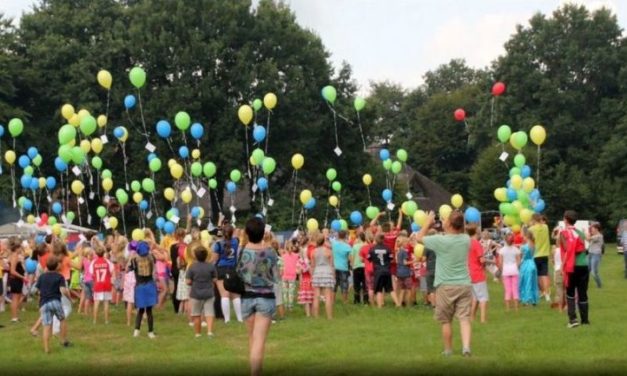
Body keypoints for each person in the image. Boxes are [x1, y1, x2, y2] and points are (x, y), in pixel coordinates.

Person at [416, 210, 472, 357]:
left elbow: (419, 237)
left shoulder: (440, 240)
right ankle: (466, 348)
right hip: (464, 284)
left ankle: (448, 350)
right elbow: (460, 228)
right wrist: (450, 222)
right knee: (464, 318)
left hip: (445, 285)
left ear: (449, 224)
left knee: (446, 320)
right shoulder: (466, 239)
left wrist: (428, 222)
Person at [237, 217, 279, 376]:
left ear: (247, 233)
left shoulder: (242, 251)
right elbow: (276, 277)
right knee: (259, 339)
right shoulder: (270, 252)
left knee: (252, 338)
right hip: (265, 297)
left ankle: (255, 371)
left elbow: (239, 274)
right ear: (263, 233)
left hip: (247, 297)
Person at [36, 256, 72, 353]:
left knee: (46, 326)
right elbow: (63, 290)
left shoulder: (42, 277)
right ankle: (63, 340)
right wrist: (69, 298)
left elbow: (37, 291)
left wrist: (39, 301)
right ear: (57, 266)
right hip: (55, 301)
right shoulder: (60, 277)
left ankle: (47, 348)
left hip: (44, 303)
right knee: (62, 319)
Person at [559, 210, 589, 328]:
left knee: (570, 293)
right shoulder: (580, 233)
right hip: (584, 266)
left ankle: (573, 320)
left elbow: (568, 251)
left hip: (572, 267)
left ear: (566, 219)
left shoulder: (564, 233)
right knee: (583, 293)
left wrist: (562, 266)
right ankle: (585, 320)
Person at [212, 224, 243, 323]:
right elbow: (238, 234)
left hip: (221, 269)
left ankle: (227, 319)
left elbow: (214, 259)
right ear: (232, 232)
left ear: (223, 233)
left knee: (224, 295)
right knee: (235, 294)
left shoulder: (218, 244)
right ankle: (240, 318)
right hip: (233, 269)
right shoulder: (236, 241)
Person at [186, 246, 218, 338]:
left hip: (196, 293)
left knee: (196, 314)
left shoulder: (192, 267)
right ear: (206, 255)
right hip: (209, 292)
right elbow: (215, 279)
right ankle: (210, 332)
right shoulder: (210, 266)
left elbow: (188, 281)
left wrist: (193, 282)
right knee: (209, 312)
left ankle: (198, 333)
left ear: (195, 256)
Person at [130, 241, 158, 338]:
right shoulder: (152, 258)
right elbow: (155, 261)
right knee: (149, 311)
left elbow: (128, 269)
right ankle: (150, 332)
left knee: (140, 310)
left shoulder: (134, 260)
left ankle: (136, 330)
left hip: (140, 286)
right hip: (150, 285)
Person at [467, 224, 488, 323]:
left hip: (469, 273)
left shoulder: (467, 243)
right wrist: (491, 262)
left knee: (475, 297)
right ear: (476, 232)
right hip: (477, 273)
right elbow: (482, 260)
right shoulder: (476, 243)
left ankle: (472, 318)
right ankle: (483, 320)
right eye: (478, 229)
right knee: (483, 298)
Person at [311, 232, 335, 319]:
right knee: (328, 296)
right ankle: (329, 317)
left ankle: (316, 316)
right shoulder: (329, 251)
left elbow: (312, 266)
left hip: (317, 273)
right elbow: (332, 265)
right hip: (327, 272)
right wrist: (333, 275)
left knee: (316, 296)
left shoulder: (313, 252)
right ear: (324, 241)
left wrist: (312, 276)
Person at [90, 243, 114, 324]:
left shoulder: (93, 262)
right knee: (106, 302)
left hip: (97, 284)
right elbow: (111, 271)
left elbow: (91, 273)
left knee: (96, 302)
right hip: (106, 284)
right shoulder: (107, 261)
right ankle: (106, 320)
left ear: (96, 253)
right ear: (104, 253)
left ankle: (94, 320)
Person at [529, 214, 551, 302]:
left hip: (535, 254)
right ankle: (547, 294)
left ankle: (540, 291)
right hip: (545, 254)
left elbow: (529, 241)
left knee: (537, 276)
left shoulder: (531, 229)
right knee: (544, 274)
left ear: (534, 220)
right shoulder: (546, 227)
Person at [368, 234, 394, 308]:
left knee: (378, 290)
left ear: (375, 240)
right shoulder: (388, 248)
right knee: (391, 289)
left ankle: (379, 306)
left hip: (378, 271)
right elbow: (391, 259)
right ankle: (398, 304)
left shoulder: (372, 249)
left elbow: (369, 259)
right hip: (387, 270)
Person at [498, 235, 521, 311]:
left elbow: (500, 262)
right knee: (515, 289)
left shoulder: (502, 250)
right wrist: (516, 267)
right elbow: (518, 261)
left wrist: (502, 270)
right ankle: (516, 308)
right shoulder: (516, 249)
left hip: (506, 270)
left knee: (507, 290)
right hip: (514, 269)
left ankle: (507, 308)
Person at [8, 237, 26, 323]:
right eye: (19, 247)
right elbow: (12, 271)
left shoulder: (13, 255)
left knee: (17, 297)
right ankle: (14, 317)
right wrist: (23, 277)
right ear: (16, 248)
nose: (20, 249)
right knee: (15, 298)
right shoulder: (14, 256)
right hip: (15, 279)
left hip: (16, 279)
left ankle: (15, 316)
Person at [331, 230, 352, 304]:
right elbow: (350, 258)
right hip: (344, 267)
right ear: (345, 236)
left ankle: (332, 300)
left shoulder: (333, 244)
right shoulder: (348, 246)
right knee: (344, 284)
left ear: (338, 235)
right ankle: (344, 301)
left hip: (334, 267)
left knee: (334, 284)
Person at [518, 231, 539, 305]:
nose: (523, 237)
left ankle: (526, 299)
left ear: (526, 237)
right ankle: (533, 299)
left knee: (525, 281)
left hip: (526, 264)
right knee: (532, 281)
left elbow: (521, 257)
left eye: (524, 236)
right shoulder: (533, 245)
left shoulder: (523, 247)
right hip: (532, 263)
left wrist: (519, 264)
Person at [296, 235, 313, 317]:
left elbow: (299, 272)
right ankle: (309, 314)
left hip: (307, 280)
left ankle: (310, 314)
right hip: (306, 280)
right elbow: (298, 272)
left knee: (309, 298)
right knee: (309, 298)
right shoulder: (303, 261)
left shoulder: (304, 261)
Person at [281, 239, 300, 311]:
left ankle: (287, 305)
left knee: (286, 292)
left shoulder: (283, 256)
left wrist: (286, 244)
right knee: (290, 292)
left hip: (286, 276)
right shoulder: (296, 256)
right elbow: (300, 250)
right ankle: (289, 306)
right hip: (290, 276)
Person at [395, 236, 412, 307]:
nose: (407, 244)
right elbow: (405, 262)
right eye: (407, 243)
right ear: (403, 243)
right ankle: (408, 304)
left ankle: (399, 303)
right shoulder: (404, 252)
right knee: (408, 289)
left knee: (402, 288)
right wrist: (414, 261)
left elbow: (397, 261)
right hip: (405, 272)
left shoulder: (398, 251)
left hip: (399, 272)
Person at [351, 232, 367, 305]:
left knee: (356, 285)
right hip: (365, 267)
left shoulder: (355, 246)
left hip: (356, 267)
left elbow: (352, 257)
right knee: (365, 284)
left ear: (359, 238)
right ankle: (366, 300)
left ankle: (356, 300)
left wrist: (352, 265)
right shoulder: (367, 246)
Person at [359, 232, 375, 306]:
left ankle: (372, 303)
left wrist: (366, 259)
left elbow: (361, 260)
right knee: (376, 286)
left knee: (370, 287)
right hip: (376, 268)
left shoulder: (363, 248)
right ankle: (379, 302)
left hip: (367, 269)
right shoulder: (376, 247)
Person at [587, 223, 604, 288]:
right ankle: (585, 283)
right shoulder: (594, 236)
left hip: (596, 255)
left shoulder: (599, 236)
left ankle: (599, 285)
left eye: (592, 228)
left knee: (594, 272)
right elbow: (588, 240)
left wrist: (585, 232)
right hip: (590, 254)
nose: (591, 229)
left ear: (596, 229)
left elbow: (588, 238)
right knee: (587, 270)